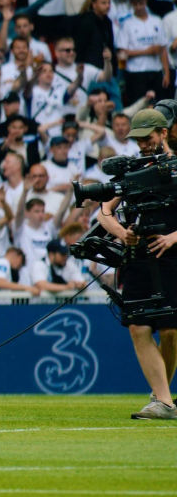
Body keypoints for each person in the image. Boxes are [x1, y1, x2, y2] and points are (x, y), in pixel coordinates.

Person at [93, 108, 177, 420]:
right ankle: (165, 402)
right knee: (138, 327)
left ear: (163, 134)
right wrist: (121, 233)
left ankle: (161, 396)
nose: (142, 144)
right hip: (139, 256)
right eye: (138, 139)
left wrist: (172, 237)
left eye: (148, 137)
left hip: (172, 258)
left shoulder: (176, 168)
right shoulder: (132, 171)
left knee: (170, 330)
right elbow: (104, 211)